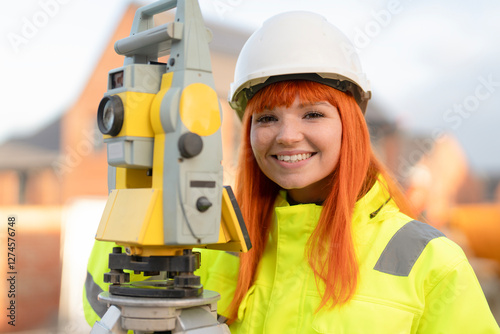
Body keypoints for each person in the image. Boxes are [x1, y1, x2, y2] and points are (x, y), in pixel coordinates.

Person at [84, 11, 500, 333]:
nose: (287, 136)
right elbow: (101, 305)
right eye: (266, 118)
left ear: (350, 126)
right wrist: (150, 189)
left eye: (313, 113)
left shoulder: (431, 263)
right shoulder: (205, 239)